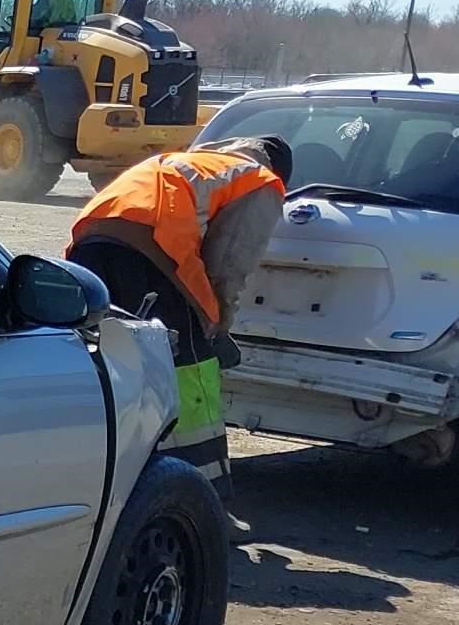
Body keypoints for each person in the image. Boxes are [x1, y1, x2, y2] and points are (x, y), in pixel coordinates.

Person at [65, 135, 292, 496]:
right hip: (151, 252)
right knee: (191, 371)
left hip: (90, 243)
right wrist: (216, 325)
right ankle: (204, 498)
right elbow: (230, 264)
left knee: (111, 366)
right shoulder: (262, 181)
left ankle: (108, 483)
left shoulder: (192, 163)